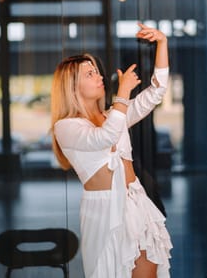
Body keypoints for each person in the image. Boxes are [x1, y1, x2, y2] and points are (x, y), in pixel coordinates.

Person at [50, 23, 173, 278]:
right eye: (90, 74)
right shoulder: (66, 127)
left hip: (136, 203)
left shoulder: (113, 115)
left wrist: (162, 42)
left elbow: (156, 92)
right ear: (72, 86)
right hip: (104, 212)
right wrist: (123, 93)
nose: (100, 77)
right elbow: (104, 138)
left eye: (97, 71)